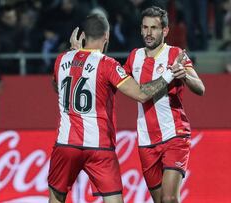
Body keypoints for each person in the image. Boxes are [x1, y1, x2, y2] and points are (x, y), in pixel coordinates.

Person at [49, 13, 185, 203]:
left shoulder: (62, 59)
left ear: (83, 35)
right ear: (107, 36)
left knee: (56, 197)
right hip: (99, 148)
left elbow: (57, 86)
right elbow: (141, 94)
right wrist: (169, 75)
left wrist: (74, 52)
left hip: (65, 144)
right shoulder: (108, 65)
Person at [122, 6, 205, 203]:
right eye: (145, 27)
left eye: (154, 28)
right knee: (159, 200)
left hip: (174, 134)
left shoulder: (175, 54)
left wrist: (185, 75)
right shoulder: (134, 56)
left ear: (165, 31)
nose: (148, 33)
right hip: (146, 140)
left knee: (169, 199)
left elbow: (200, 88)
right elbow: (120, 82)